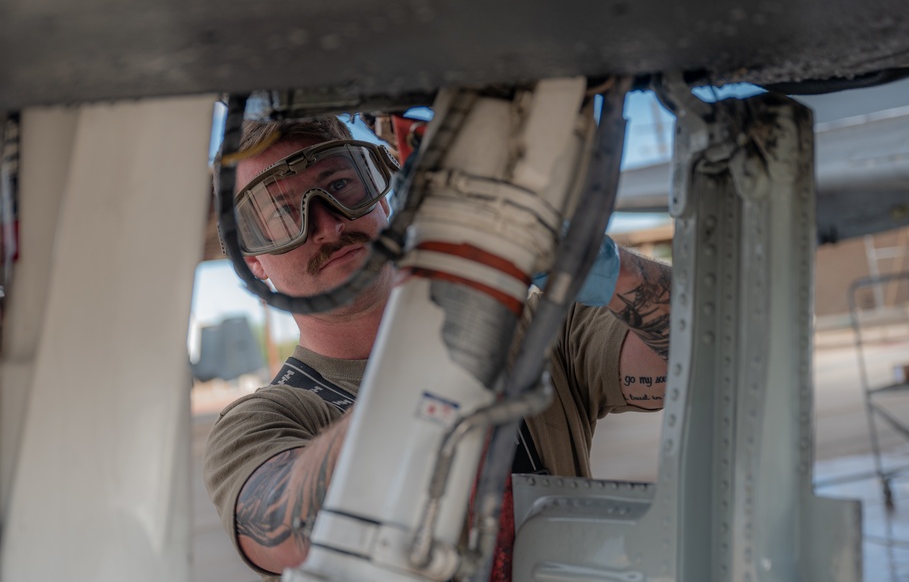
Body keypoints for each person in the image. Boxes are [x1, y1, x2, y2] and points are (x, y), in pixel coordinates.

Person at [203, 115, 672, 581]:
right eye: (283, 214)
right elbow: (292, 533)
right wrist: (444, 330)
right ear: (253, 261)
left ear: (385, 196)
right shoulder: (261, 422)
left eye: (342, 184)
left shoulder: (537, 330)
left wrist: (612, 273)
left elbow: (693, 361)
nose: (327, 225)